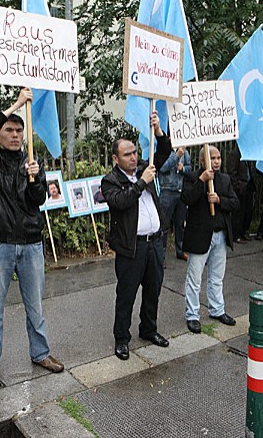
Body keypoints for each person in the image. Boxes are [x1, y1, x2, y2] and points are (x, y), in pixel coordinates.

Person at [0, 88, 63, 393]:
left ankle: (40, 353)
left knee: (35, 306)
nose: (14, 135)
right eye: (9, 130)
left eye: (18, 131)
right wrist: (16, 104)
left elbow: (36, 201)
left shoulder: (32, 163)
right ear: (0, 135)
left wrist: (36, 180)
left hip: (30, 243)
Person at [101, 112, 171, 361]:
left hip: (155, 243)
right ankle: (122, 338)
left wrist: (158, 131)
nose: (133, 157)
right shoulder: (110, 181)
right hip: (131, 248)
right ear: (115, 158)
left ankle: (149, 329)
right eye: (127, 154)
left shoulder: (145, 167)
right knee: (127, 295)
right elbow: (121, 202)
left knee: (153, 290)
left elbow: (164, 153)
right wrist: (141, 182)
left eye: (134, 152)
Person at [180, 145, 240, 333]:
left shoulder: (224, 179)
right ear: (203, 160)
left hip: (219, 235)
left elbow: (236, 203)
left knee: (216, 277)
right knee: (194, 277)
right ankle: (192, 314)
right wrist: (202, 180)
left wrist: (219, 200)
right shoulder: (192, 178)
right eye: (212, 158)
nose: (216, 161)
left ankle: (217, 309)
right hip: (199, 235)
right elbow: (187, 199)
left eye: (218, 158)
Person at [159, 146, 192, 261]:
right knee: (164, 225)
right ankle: (161, 257)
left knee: (180, 223)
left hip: (181, 191)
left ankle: (181, 251)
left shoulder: (185, 152)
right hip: (167, 191)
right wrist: (176, 156)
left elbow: (189, 168)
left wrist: (183, 168)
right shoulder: (164, 151)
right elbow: (162, 168)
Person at [226, 144, 255, 243]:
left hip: (248, 186)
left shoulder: (247, 155)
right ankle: (235, 234)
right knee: (238, 212)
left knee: (248, 210)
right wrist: (237, 187)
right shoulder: (234, 155)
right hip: (240, 187)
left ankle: (243, 231)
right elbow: (231, 172)